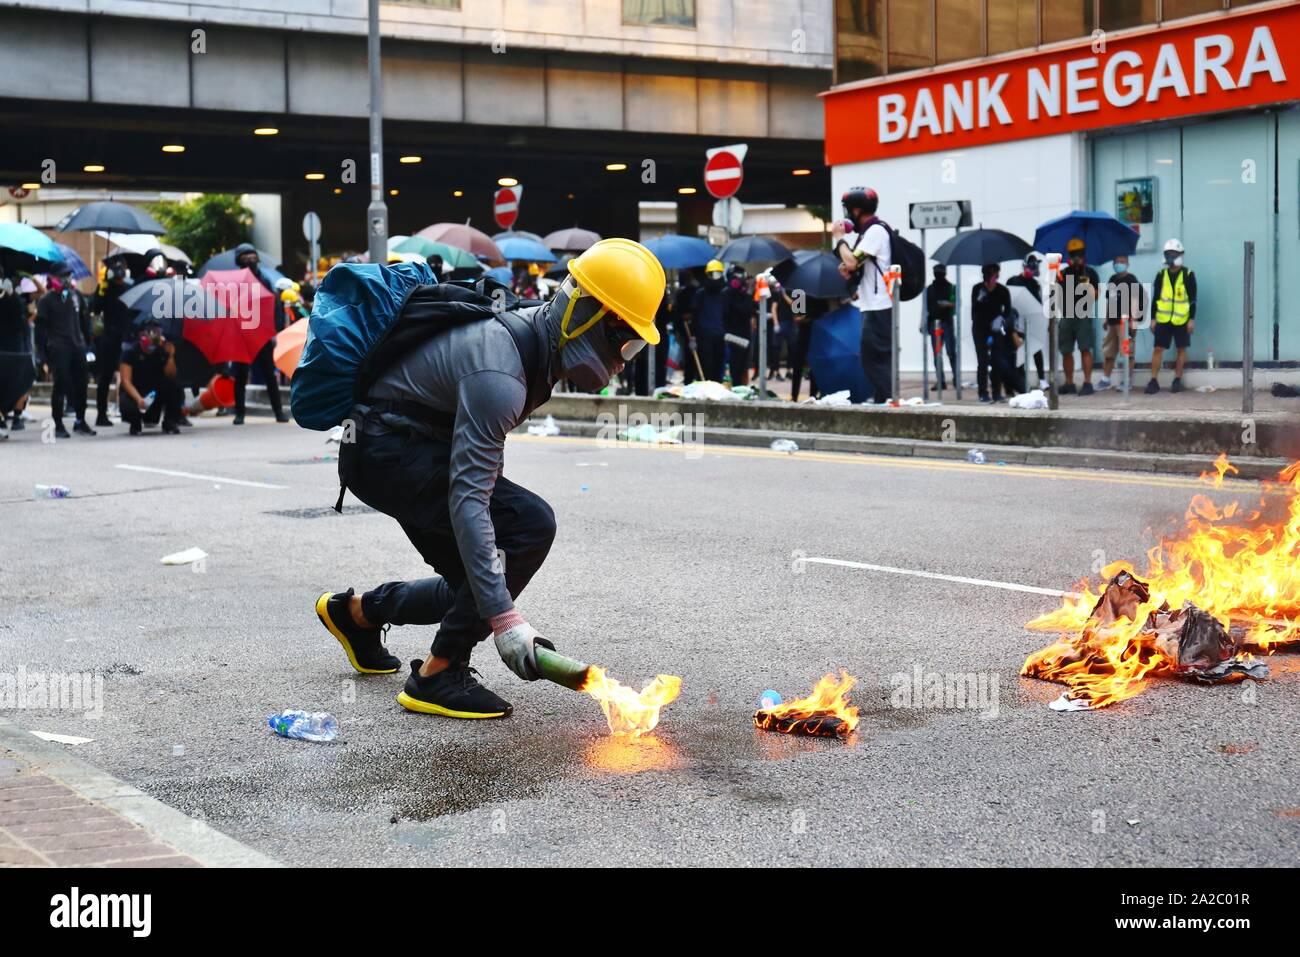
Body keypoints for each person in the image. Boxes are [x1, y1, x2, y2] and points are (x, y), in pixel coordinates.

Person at [314, 239, 664, 719]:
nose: (625, 360)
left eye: (636, 347)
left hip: (397, 449)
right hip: (385, 454)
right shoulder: (502, 368)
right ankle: (438, 674)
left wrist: (491, 597)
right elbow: (468, 498)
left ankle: (357, 613)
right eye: (624, 342)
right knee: (529, 527)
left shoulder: (534, 348)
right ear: (583, 315)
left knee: (478, 583)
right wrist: (506, 623)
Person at [833, 186, 892, 403]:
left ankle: (886, 399)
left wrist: (839, 238)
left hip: (879, 304)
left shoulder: (876, 231)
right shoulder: (868, 233)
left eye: (848, 210)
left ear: (856, 211)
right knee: (872, 356)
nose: (847, 216)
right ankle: (883, 397)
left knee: (872, 357)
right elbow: (854, 263)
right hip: (871, 303)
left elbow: (851, 260)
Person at [229, 243, 289, 425]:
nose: (250, 259)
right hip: (242, 334)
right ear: (239, 260)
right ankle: (239, 413)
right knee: (240, 375)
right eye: (245, 256)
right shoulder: (235, 282)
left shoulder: (265, 281)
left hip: (262, 334)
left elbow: (273, 306)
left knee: (269, 375)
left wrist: (274, 332)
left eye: (252, 255)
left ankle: (278, 412)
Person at [35, 266, 96, 439]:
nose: (66, 279)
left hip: (78, 346)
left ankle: (80, 421)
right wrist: (42, 353)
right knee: (61, 385)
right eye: (62, 276)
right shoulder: (46, 300)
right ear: (54, 278)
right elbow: (40, 330)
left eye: (69, 276)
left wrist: (89, 345)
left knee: (82, 384)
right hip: (58, 347)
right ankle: (58, 424)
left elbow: (85, 323)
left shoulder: (76, 296)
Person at [1146, 238, 1197, 395]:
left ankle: (1177, 379)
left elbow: (1193, 299)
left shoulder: (1188, 274)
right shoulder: (1161, 275)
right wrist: (1153, 318)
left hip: (1182, 320)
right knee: (1158, 349)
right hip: (1163, 320)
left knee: (1181, 349)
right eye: (1168, 254)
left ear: (1181, 254)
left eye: (1174, 253)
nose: (1171, 257)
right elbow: (1155, 299)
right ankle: (1153, 381)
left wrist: (1191, 319)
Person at [117, 319, 183, 435]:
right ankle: (135, 424)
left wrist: (170, 356)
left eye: (158, 332)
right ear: (142, 334)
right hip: (136, 392)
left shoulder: (161, 351)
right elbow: (126, 381)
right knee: (127, 405)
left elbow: (171, 375)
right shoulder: (131, 352)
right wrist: (138, 399)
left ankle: (169, 422)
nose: (155, 336)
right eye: (152, 332)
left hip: (154, 393)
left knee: (175, 386)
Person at [90, 254, 134, 427]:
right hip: (109, 338)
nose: (119, 270)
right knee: (106, 376)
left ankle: (127, 411)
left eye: (121, 267)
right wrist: (101, 287)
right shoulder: (105, 289)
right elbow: (95, 308)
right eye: (116, 267)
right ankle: (101, 414)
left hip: (126, 337)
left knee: (127, 376)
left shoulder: (129, 288)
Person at [1055, 238, 1100, 396]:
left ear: (1084, 256)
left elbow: (1096, 295)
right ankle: (1069, 383)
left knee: (1085, 349)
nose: (1076, 258)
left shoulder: (1090, 273)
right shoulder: (1063, 273)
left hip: (1083, 316)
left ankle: (1087, 383)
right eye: (1073, 254)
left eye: (1079, 254)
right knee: (1066, 350)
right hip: (1067, 315)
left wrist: (1087, 287)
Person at [970, 263, 1013, 402]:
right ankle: (983, 392)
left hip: (995, 329)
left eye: (996, 275)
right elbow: (973, 312)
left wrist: (1001, 319)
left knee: (996, 360)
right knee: (982, 360)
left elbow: (1007, 310)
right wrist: (979, 299)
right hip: (980, 328)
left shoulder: (1002, 290)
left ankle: (996, 392)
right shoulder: (977, 289)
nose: (994, 278)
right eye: (992, 275)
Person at [1101, 253, 1145, 390]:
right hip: (1113, 322)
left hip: (1126, 323)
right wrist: (1106, 318)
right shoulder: (1112, 280)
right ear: (1114, 264)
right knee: (1109, 351)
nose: (1120, 264)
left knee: (1127, 352)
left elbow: (1136, 300)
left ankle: (1127, 381)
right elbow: (1110, 300)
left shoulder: (1131, 280)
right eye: (1117, 262)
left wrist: (1134, 320)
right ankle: (1105, 379)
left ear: (1127, 264)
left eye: (1122, 261)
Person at [1005, 252, 1047, 387]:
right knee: (1019, 349)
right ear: (1024, 267)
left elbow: (1039, 303)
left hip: (1031, 320)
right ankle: (1020, 380)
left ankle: (1042, 379)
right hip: (1017, 320)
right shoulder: (1013, 281)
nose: (1033, 271)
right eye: (1031, 267)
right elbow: (1008, 300)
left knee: (1036, 348)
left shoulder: (1035, 284)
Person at [688, 260, 728, 382]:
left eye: (717, 274)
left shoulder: (725, 293)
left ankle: (717, 386)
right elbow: (694, 316)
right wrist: (693, 335)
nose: (715, 278)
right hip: (704, 336)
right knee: (706, 365)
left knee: (718, 365)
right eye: (712, 274)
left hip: (720, 335)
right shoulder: (700, 294)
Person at [924, 263, 957, 391]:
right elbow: (926, 308)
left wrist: (949, 304)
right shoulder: (930, 289)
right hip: (935, 324)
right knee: (937, 354)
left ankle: (956, 379)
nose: (938, 274)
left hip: (947, 322)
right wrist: (924, 324)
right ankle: (941, 381)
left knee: (951, 353)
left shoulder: (951, 287)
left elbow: (956, 304)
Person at [723, 264, 752, 385]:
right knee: (734, 365)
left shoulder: (745, 295)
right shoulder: (726, 295)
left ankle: (742, 387)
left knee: (743, 366)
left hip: (744, 334)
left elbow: (748, 311)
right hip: (731, 335)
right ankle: (736, 385)